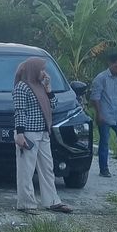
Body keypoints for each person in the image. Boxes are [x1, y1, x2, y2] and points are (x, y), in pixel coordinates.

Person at [13, 57, 73, 214]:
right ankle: (26, 203)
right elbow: (20, 111)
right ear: (33, 70)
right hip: (28, 133)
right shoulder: (22, 87)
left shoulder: (40, 86)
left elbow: (53, 106)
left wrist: (49, 88)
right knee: (26, 170)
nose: (44, 73)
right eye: (41, 69)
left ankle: (52, 201)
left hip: (43, 132)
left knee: (47, 168)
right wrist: (20, 134)